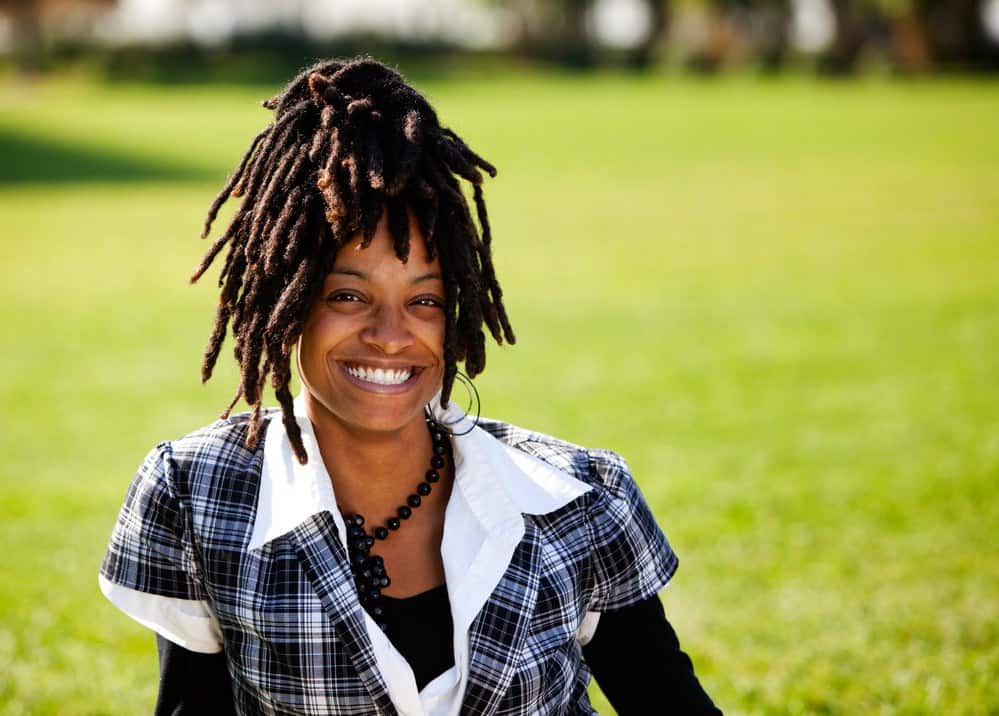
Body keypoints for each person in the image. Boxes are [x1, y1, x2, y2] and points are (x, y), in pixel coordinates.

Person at [99, 56, 722, 716]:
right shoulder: (197, 495)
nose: (391, 335)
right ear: (288, 300)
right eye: (347, 295)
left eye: (424, 301)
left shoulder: (580, 501)